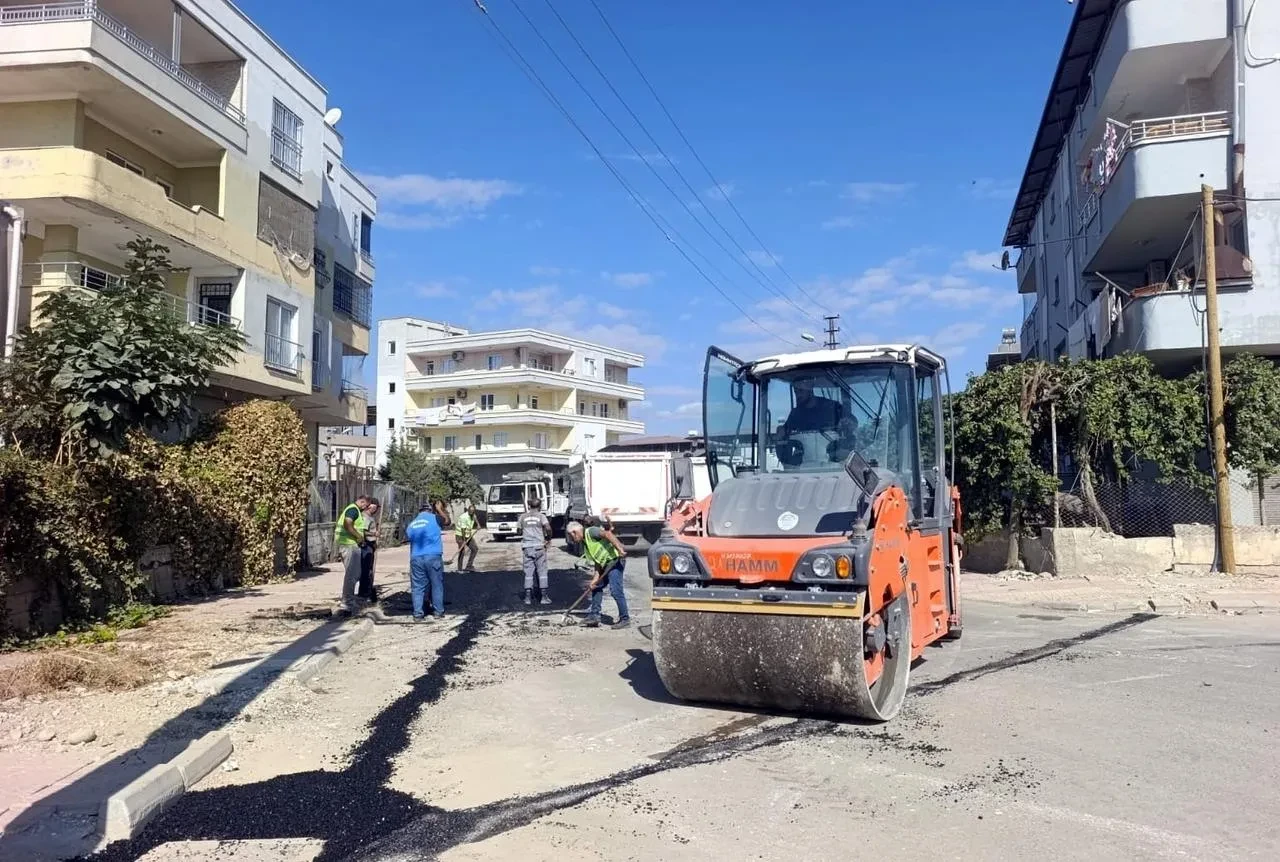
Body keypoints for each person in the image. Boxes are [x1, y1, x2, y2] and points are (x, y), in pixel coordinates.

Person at [566, 520, 630, 629]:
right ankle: (594, 616)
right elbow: (598, 563)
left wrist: (619, 549)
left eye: (572, 537)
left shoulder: (591, 532)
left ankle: (625, 619)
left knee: (616, 591)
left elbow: (608, 534)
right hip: (605, 564)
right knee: (596, 587)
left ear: (574, 532)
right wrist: (594, 580)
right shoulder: (586, 543)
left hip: (614, 561)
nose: (573, 540)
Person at [405, 500, 451, 621]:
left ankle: (418, 614)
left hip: (416, 558)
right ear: (430, 510)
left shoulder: (411, 524)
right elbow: (447, 521)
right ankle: (438, 612)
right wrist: (440, 509)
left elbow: (409, 538)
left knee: (417, 587)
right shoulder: (435, 518)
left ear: (419, 511)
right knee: (436, 584)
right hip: (433, 556)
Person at [333, 495, 371, 615]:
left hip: (349, 544)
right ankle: (347, 602)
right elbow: (347, 523)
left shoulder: (354, 510)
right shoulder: (353, 510)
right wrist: (358, 536)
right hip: (349, 545)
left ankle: (348, 600)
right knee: (352, 574)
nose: (366, 508)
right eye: (365, 505)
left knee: (354, 574)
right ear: (362, 501)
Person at [519, 498, 552, 606]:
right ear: (540, 506)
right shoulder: (541, 516)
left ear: (529, 506)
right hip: (539, 547)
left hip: (527, 547)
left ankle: (527, 598)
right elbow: (548, 528)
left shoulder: (523, 517)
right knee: (542, 571)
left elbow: (518, 530)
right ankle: (544, 597)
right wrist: (548, 538)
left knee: (528, 573)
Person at [357, 500, 380, 601]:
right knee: (366, 570)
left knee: (369, 570)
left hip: (371, 545)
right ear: (371, 506)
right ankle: (363, 592)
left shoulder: (370, 517)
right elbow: (363, 532)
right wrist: (374, 534)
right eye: (376, 507)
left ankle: (367, 591)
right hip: (366, 546)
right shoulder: (365, 517)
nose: (376, 510)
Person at [454, 502, 479, 573]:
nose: (472, 513)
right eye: (470, 512)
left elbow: (475, 518)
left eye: (473, 512)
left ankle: (469, 566)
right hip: (460, 535)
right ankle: (459, 569)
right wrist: (464, 541)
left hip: (468, 534)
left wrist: (478, 524)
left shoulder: (473, 515)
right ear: (468, 510)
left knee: (475, 549)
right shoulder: (463, 517)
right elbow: (463, 530)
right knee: (462, 551)